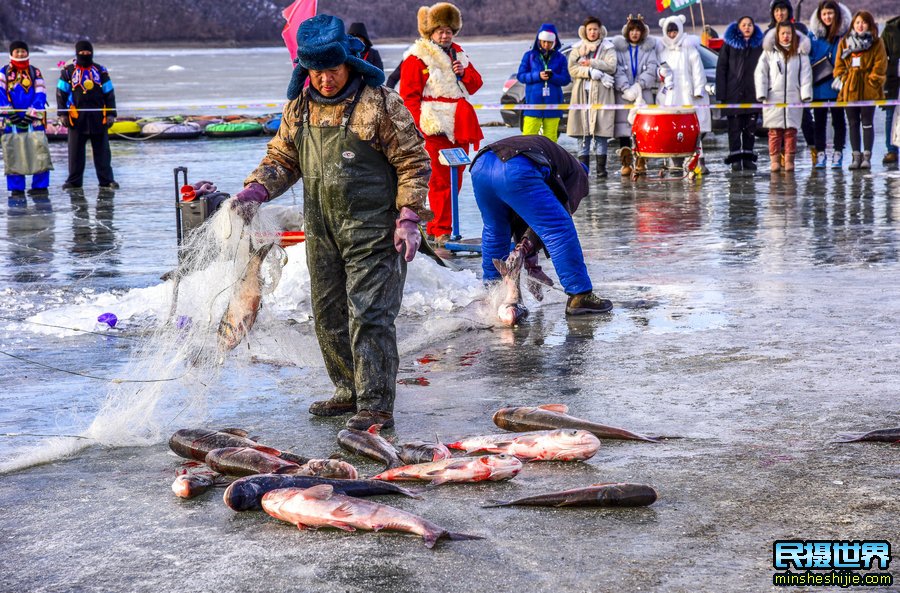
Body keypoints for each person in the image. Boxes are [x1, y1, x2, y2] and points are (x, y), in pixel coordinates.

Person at [232, 14, 432, 430]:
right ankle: (348, 390)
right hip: (322, 230)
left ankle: (376, 404)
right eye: (316, 72)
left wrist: (409, 216)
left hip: (374, 230)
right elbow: (282, 159)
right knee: (327, 314)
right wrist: (256, 190)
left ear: (348, 63)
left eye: (333, 70)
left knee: (370, 315)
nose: (325, 80)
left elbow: (413, 161)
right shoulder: (300, 108)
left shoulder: (379, 103)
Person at [470, 134, 613, 316]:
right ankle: (580, 295)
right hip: (516, 166)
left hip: (481, 165)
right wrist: (532, 262)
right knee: (559, 228)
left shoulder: (558, 159)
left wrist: (532, 265)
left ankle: (493, 291)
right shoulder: (577, 175)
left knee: (495, 229)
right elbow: (555, 220)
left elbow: (528, 220)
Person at [399, 2, 483, 246]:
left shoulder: (459, 52)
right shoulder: (417, 58)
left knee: (455, 178)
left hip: (459, 123)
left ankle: (443, 226)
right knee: (438, 180)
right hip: (434, 123)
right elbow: (408, 97)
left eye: (448, 30)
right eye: (440, 31)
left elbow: (475, 85)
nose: (445, 35)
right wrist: (419, 127)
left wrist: (463, 72)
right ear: (430, 32)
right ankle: (439, 229)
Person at [56, 40, 117, 190]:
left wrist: (110, 114)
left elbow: (109, 93)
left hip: (98, 118)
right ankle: (74, 181)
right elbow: (60, 93)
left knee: (102, 152)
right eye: (82, 52)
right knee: (75, 153)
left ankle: (106, 180)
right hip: (77, 119)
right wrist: (62, 114)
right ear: (77, 53)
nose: (85, 54)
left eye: (88, 52)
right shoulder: (68, 71)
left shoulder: (100, 71)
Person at [755, 22, 813, 172]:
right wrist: (762, 92)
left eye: (789, 33)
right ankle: (774, 160)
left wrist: (805, 93)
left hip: (794, 97)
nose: (786, 36)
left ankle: (789, 160)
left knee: (791, 132)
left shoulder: (800, 54)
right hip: (773, 97)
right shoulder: (769, 53)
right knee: (774, 132)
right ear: (777, 35)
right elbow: (761, 72)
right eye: (783, 33)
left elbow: (806, 75)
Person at [657, 15, 711, 173]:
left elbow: (698, 70)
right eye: (669, 31)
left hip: (688, 95)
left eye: (675, 30)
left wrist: (699, 89)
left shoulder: (689, 48)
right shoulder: (662, 50)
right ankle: (675, 161)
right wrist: (662, 73)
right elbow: (658, 70)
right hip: (671, 96)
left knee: (694, 129)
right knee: (673, 129)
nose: (672, 34)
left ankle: (699, 160)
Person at [834, 11, 887, 170]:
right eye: (857, 22)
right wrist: (844, 80)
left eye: (864, 22)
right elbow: (839, 65)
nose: (860, 25)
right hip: (850, 89)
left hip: (868, 90)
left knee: (867, 123)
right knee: (852, 123)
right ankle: (855, 156)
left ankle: (867, 156)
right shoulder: (845, 42)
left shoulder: (877, 43)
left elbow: (880, 64)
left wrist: (872, 82)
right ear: (853, 25)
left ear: (870, 25)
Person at [0, 41, 51, 205]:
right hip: (11, 119)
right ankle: (16, 188)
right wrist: (9, 112)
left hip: (33, 119)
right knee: (14, 151)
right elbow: (0, 93)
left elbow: (40, 93)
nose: (20, 54)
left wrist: (33, 112)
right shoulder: (4, 72)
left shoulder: (35, 72)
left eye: (23, 51)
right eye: (17, 51)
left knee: (39, 150)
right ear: (12, 53)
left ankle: (40, 186)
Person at [567, 17, 616, 177]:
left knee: (601, 131)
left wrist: (593, 64)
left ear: (600, 30)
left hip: (601, 94)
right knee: (583, 132)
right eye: (590, 29)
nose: (593, 32)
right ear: (585, 31)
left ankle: (601, 170)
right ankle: (583, 170)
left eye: (595, 29)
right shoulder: (577, 48)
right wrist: (588, 72)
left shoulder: (608, 47)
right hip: (582, 94)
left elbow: (612, 66)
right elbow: (573, 69)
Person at [612, 14, 658, 177]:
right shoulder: (618, 49)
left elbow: (652, 68)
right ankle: (626, 163)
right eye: (632, 30)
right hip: (623, 96)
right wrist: (625, 88)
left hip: (643, 95)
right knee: (624, 129)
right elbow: (616, 69)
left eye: (638, 30)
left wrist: (639, 85)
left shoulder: (649, 49)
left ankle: (641, 162)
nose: (635, 33)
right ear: (627, 32)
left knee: (642, 130)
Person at [716, 17, 764, 172]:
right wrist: (721, 94)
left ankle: (748, 159)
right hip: (733, 94)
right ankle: (736, 160)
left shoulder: (759, 46)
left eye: (750, 24)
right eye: (744, 25)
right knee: (734, 128)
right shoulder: (729, 45)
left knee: (750, 128)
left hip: (753, 93)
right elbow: (721, 69)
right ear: (738, 27)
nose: (747, 27)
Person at [807, 1, 851, 169]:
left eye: (830, 13)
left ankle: (838, 152)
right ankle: (820, 153)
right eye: (824, 14)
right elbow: (808, 56)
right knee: (819, 121)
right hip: (819, 84)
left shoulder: (844, 36)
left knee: (839, 120)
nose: (827, 17)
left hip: (837, 85)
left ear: (837, 14)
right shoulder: (813, 36)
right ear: (820, 16)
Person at [517, 24, 570, 144]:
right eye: (544, 42)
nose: (546, 45)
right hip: (533, 105)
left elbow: (566, 79)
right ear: (539, 40)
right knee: (528, 138)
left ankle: (549, 161)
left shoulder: (561, 58)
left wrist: (553, 77)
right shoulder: (529, 56)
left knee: (551, 140)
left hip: (553, 105)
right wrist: (537, 76)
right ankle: (527, 161)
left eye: (549, 42)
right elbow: (521, 76)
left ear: (554, 42)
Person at [880, 14, 899, 165]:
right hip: (893, 78)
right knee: (890, 115)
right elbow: (881, 54)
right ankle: (891, 150)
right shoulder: (890, 28)